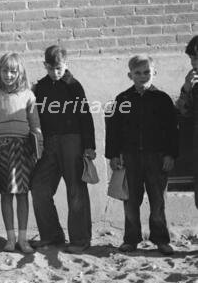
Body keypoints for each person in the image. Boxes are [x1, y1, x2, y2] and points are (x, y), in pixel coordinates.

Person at [105, 54, 178, 254]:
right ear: (130, 75)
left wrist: (170, 154)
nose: (143, 76)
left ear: (154, 72)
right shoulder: (123, 99)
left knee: (158, 201)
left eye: (147, 72)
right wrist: (113, 155)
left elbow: (172, 129)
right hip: (130, 158)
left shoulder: (163, 99)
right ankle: (131, 239)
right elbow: (114, 129)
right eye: (138, 73)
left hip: (157, 158)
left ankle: (161, 239)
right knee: (131, 202)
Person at [30, 45, 96, 253]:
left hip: (73, 141)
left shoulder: (74, 86)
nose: (55, 72)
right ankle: (51, 235)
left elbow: (85, 115)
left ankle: (80, 240)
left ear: (66, 64)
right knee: (39, 187)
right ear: (45, 66)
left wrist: (89, 146)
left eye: (59, 68)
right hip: (48, 143)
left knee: (76, 190)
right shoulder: (39, 87)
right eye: (51, 68)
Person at [0, 53, 43, 254]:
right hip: (2, 149)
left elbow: (35, 124)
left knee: (22, 195)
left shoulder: (28, 95)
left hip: (23, 150)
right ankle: (10, 239)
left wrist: (38, 145)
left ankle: (23, 238)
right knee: (6, 194)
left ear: (20, 73)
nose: (9, 75)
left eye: (13, 71)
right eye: (5, 70)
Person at [176, 35, 198, 209]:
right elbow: (184, 112)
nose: (193, 62)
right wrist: (186, 89)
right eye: (191, 58)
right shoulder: (192, 82)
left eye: (196, 57)